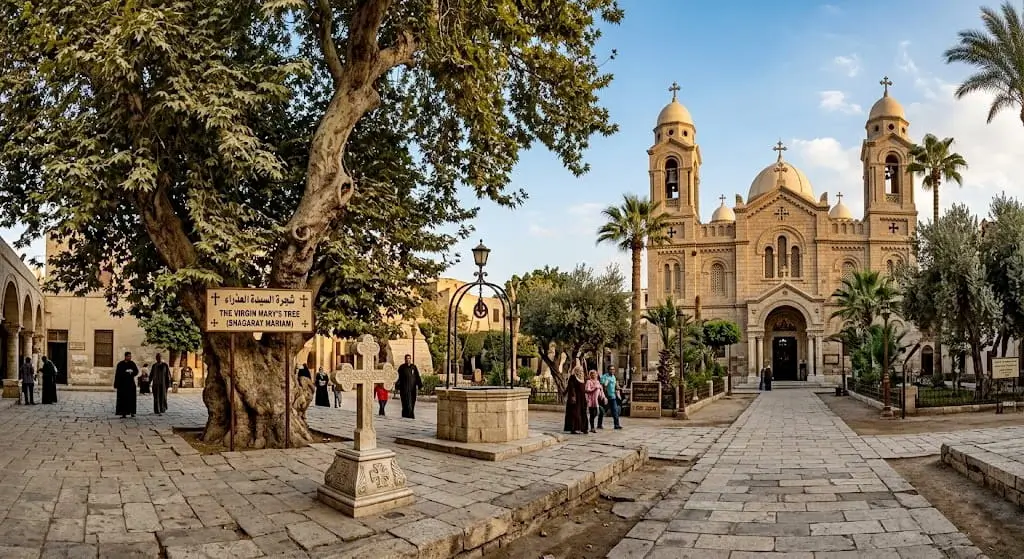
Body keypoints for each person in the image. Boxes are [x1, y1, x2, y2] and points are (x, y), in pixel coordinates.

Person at [563, 362, 588, 434]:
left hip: (582, 398)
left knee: (583, 412)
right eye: (579, 370)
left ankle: (583, 428)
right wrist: (573, 396)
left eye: (582, 371)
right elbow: (571, 387)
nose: (581, 372)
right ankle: (573, 428)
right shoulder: (573, 377)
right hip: (575, 398)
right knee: (575, 413)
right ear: (576, 371)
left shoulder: (583, 378)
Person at [396, 354, 422, 419]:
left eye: (409, 358)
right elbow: (398, 377)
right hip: (404, 389)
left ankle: (411, 414)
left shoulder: (414, 367)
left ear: (411, 359)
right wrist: (397, 385)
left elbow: (417, 376)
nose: (408, 360)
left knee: (412, 401)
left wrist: (419, 385)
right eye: (407, 358)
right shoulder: (402, 367)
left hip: (412, 389)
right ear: (405, 359)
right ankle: (405, 415)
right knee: (405, 402)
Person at [114, 352, 139, 418]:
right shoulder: (120, 364)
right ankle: (123, 413)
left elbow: (136, 371)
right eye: (128, 356)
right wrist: (116, 384)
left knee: (131, 399)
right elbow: (117, 374)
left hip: (131, 384)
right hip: (123, 385)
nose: (129, 358)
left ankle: (132, 412)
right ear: (125, 356)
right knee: (123, 399)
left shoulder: (132, 363)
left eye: (130, 356)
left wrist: (131, 372)